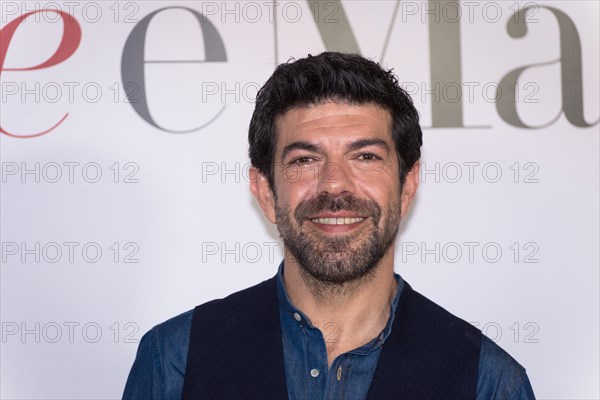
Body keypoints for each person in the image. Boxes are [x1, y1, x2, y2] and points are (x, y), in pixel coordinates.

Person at [122, 52, 535, 400]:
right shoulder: (174, 359)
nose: (335, 183)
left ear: (407, 186)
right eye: (305, 159)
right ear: (266, 192)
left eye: (366, 157)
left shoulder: (489, 382)